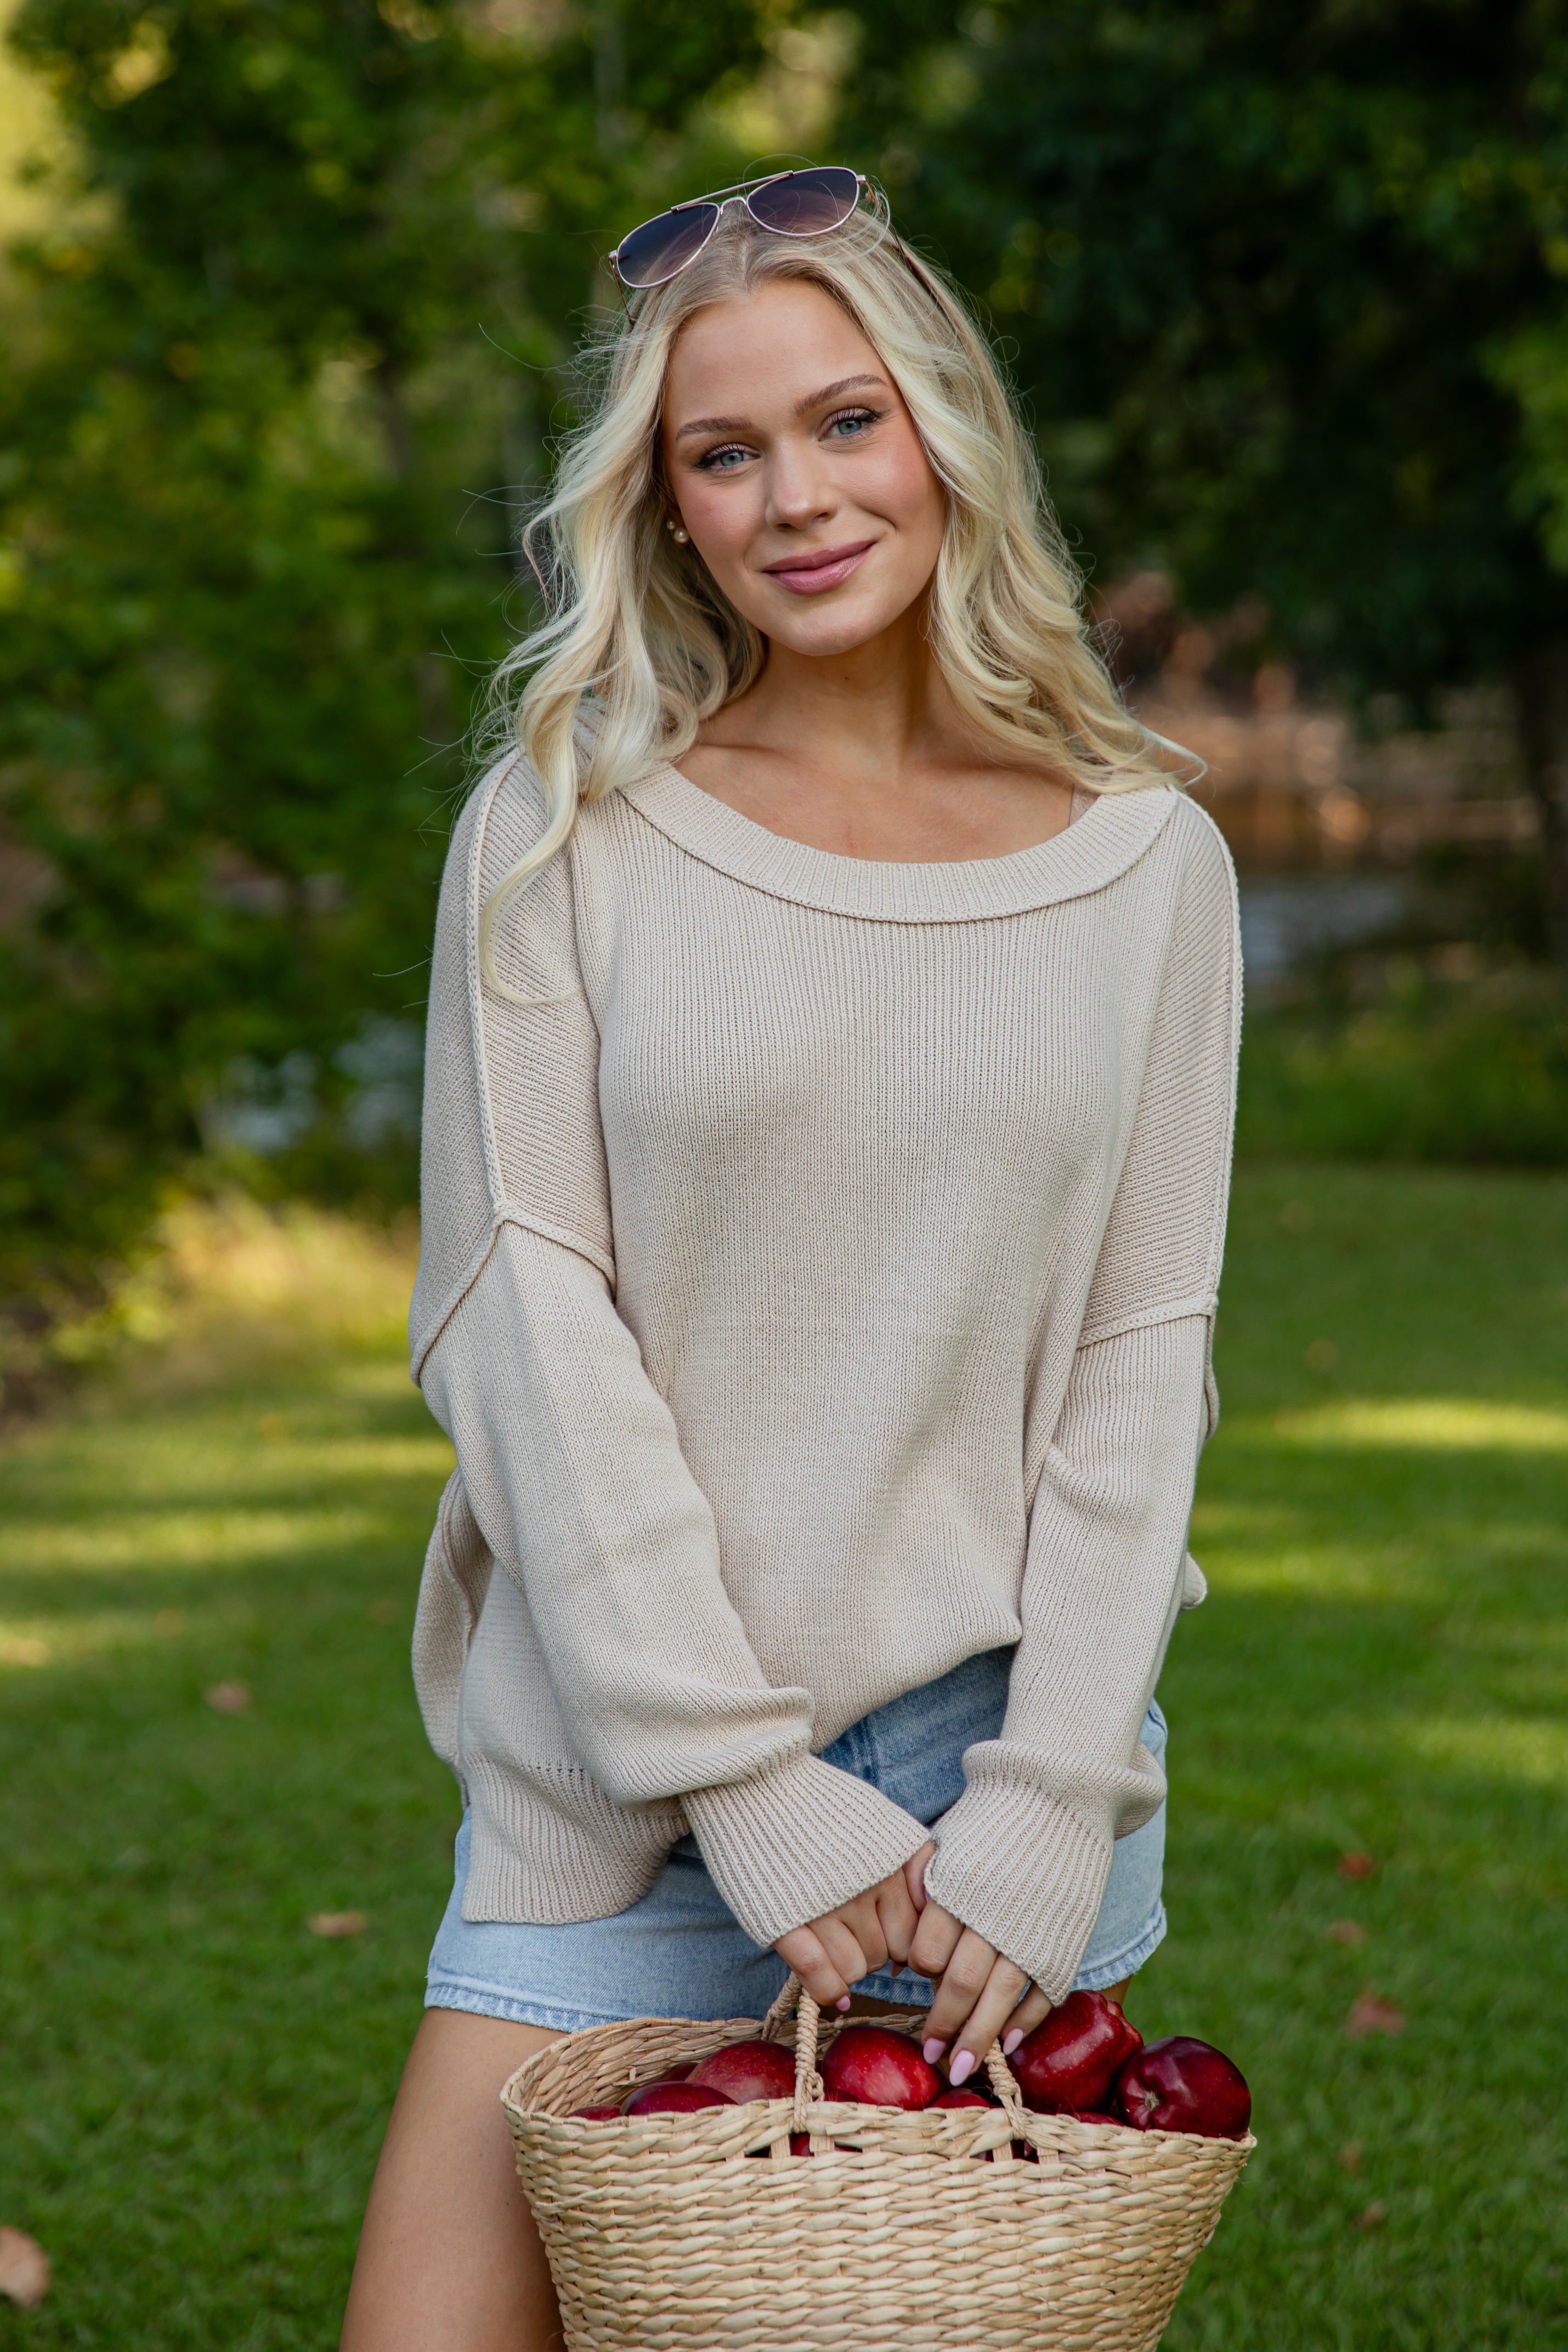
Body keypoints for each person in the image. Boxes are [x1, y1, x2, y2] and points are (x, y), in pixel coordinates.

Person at [340, 166, 1238, 2352]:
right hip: (626, 1781)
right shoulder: (562, 829)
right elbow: (521, 1319)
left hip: (993, 1810)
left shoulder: (1146, 863)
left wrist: (1049, 1804)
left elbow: (1140, 1358)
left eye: (846, 421)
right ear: (662, 509)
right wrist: (736, 1780)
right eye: (723, 452)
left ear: (944, 432)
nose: (799, 497)